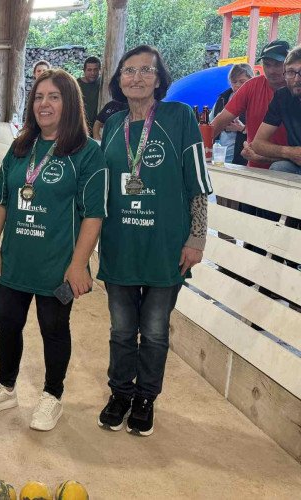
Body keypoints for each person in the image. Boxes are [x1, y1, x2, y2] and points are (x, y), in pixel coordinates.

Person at [0, 68, 108, 431]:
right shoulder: (20, 147)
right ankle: (5, 387)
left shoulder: (88, 153)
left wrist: (79, 265)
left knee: (53, 329)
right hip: (16, 258)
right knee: (7, 324)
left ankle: (52, 395)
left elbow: (94, 215)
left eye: (54, 97)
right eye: (39, 97)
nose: (44, 104)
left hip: (57, 263)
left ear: (70, 102)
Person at [96, 45, 212, 437]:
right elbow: (102, 189)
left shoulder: (179, 118)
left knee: (156, 330)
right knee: (122, 330)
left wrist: (197, 237)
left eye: (146, 70)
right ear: (119, 80)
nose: (136, 77)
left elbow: (197, 186)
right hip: (120, 244)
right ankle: (120, 393)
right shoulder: (111, 126)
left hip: (165, 246)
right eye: (129, 71)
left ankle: (146, 398)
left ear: (160, 78)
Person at [211, 40, 290, 169]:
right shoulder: (252, 86)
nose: (271, 70)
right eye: (267, 64)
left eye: (277, 64)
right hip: (254, 166)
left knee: (281, 166)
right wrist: (196, 148)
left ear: (289, 64)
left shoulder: (295, 89)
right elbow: (220, 120)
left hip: (290, 170)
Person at [252, 45, 301, 175]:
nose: (297, 79)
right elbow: (257, 143)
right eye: (291, 72)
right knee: (279, 167)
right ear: (285, 74)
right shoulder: (282, 96)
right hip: (295, 165)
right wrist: (291, 152)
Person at [212, 63, 253, 165]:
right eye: (234, 82)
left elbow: (264, 133)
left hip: (243, 160)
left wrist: (241, 128)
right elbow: (209, 125)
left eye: (242, 82)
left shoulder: (256, 100)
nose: (238, 85)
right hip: (219, 157)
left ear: (252, 80)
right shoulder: (222, 99)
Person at [78, 56, 102, 131]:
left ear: (100, 70)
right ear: (84, 70)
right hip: (79, 127)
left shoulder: (103, 83)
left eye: (95, 69)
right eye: (89, 70)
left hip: (98, 127)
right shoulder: (76, 85)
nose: (93, 73)